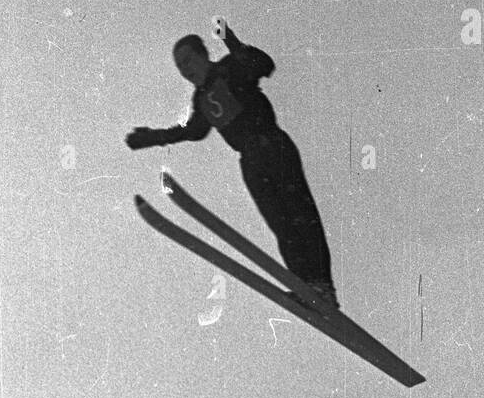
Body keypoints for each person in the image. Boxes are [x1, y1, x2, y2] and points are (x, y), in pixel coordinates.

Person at [125, 20, 339, 315]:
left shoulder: (228, 68)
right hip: (250, 160)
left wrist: (233, 44)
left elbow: (264, 65)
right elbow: (194, 131)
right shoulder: (201, 99)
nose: (186, 70)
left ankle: (323, 286)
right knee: (280, 224)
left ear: (203, 55)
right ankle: (306, 286)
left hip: (272, 144)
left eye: (188, 60)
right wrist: (153, 137)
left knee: (300, 214)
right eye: (180, 67)